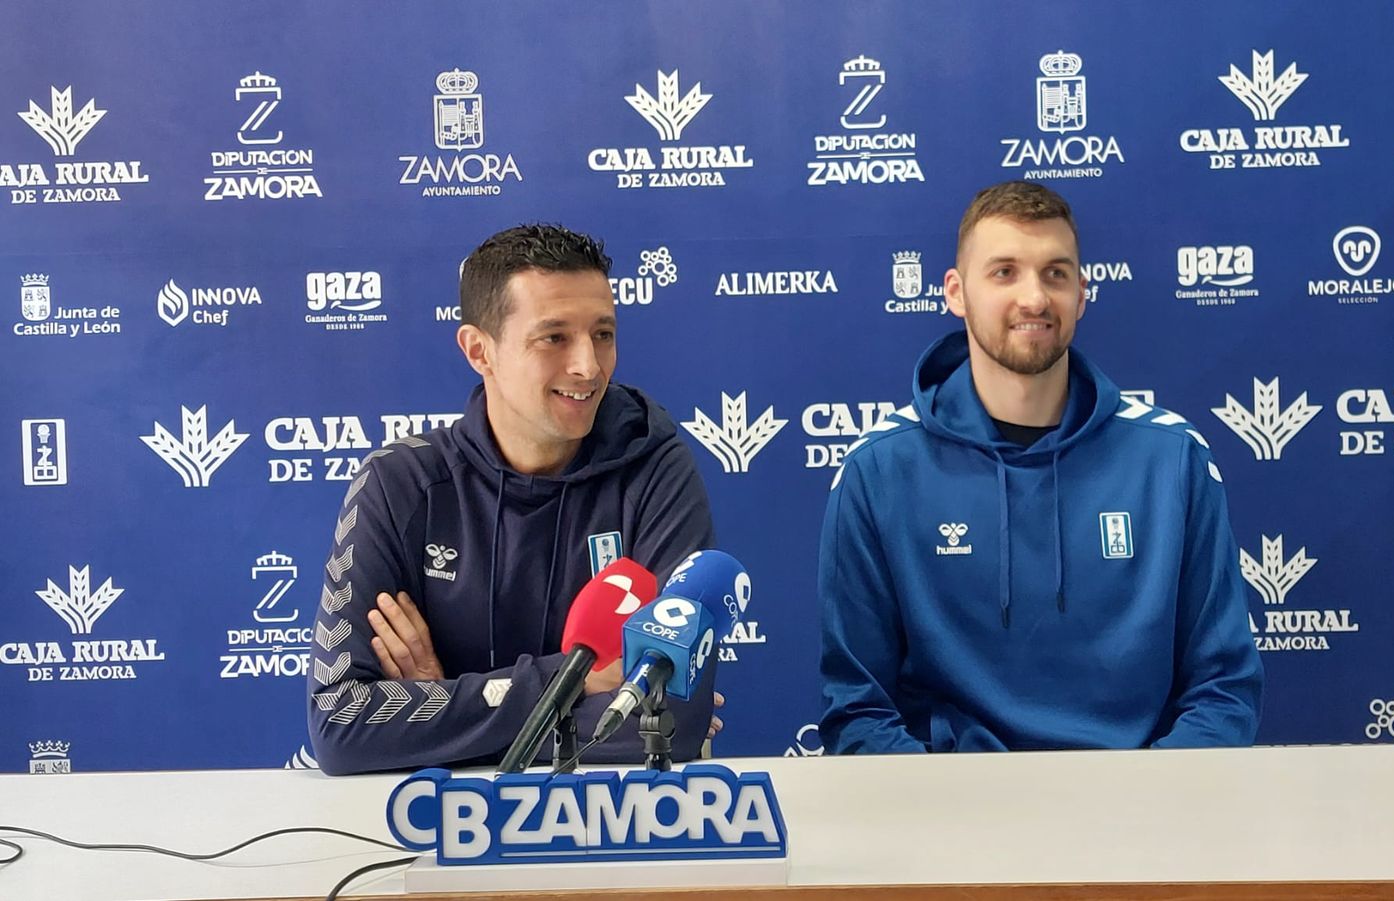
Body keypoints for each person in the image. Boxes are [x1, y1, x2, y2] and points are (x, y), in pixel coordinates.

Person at [818, 181, 1263, 754]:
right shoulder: (878, 471)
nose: (1034, 298)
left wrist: (1146, 799)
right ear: (956, 292)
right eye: (1004, 272)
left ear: (1082, 293)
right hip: (954, 801)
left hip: (1137, 799)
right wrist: (952, 806)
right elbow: (858, 710)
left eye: (1055, 273)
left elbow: (1223, 691)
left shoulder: (1172, 460)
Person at [306, 223, 719, 776]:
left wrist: (441, 713)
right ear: (480, 350)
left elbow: (674, 719)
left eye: (603, 333)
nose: (589, 366)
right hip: (442, 822)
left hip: (610, 819)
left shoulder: (656, 469)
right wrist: (571, 682)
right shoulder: (399, 483)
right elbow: (342, 725)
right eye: (554, 338)